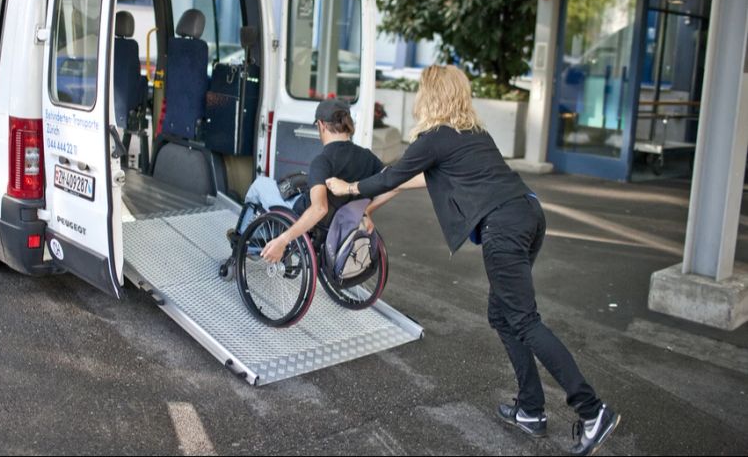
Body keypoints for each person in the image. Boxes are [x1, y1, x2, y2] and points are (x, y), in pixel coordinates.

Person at [327, 65, 620, 456]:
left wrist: (348, 187)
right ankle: (531, 409)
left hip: (504, 229)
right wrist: (375, 202)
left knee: (524, 320)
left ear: (429, 95)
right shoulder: (472, 134)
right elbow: (413, 178)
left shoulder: (434, 137)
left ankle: (592, 409)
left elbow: (391, 174)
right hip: (528, 215)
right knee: (503, 315)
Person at [252, 98, 383, 263]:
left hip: (304, 216)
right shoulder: (368, 157)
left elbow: (319, 208)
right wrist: (367, 211)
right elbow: (392, 183)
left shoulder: (322, 161)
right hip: (339, 223)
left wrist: (283, 240)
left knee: (260, 185)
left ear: (321, 125)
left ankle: (249, 243)